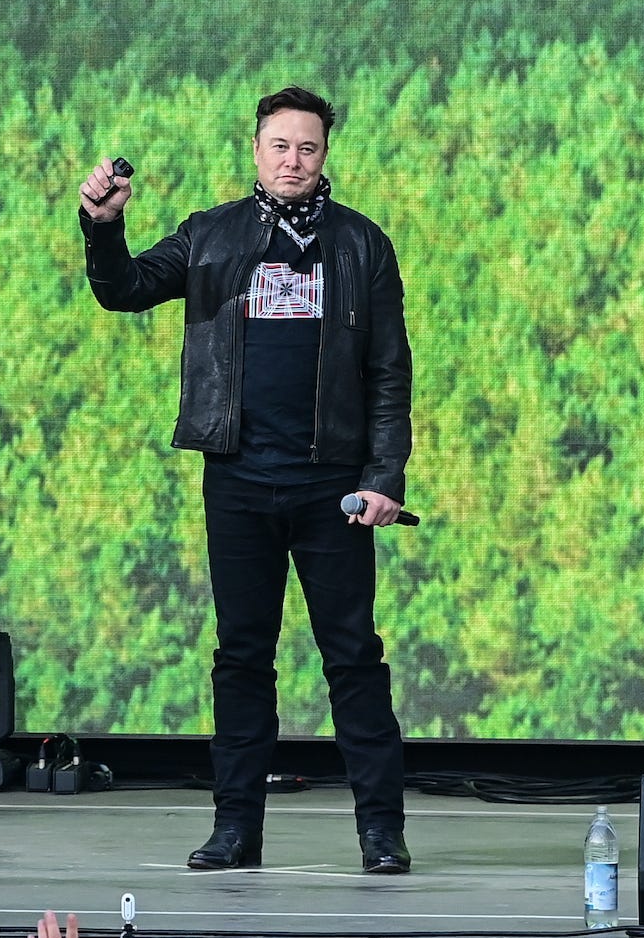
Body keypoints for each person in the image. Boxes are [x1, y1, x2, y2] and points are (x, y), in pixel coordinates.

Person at [77, 85, 414, 874]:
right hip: (236, 480)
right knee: (240, 658)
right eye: (280, 146)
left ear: (324, 155)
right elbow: (121, 290)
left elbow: (389, 374)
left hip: (333, 487)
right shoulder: (211, 236)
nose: (293, 160)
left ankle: (381, 833)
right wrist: (103, 223)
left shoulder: (362, 245)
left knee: (353, 659)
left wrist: (383, 476)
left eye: (308, 147)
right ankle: (235, 832)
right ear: (256, 151)